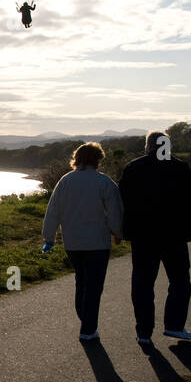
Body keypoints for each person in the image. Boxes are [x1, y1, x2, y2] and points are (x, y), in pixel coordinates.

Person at [118, 130, 191, 346]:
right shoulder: (179, 168)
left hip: (143, 237)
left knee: (142, 284)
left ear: (147, 146)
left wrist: (118, 230)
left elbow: (121, 201)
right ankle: (174, 326)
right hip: (174, 236)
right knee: (179, 282)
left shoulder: (134, 168)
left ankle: (144, 332)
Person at [41, 142, 123, 342]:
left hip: (73, 242)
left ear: (76, 158)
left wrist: (48, 237)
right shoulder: (105, 183)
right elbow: (115, 213)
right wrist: (118, 233)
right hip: (98, 243)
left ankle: (85, 319)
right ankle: (88, 329)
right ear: (98, 159)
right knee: (94, 286)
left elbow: (53, 211)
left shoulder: (65, 181)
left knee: (81, 282)